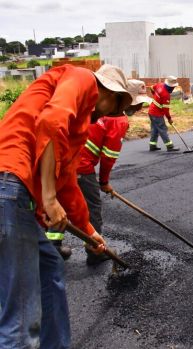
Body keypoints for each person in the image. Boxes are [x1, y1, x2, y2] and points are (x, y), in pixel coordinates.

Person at [0, 63, 131, 348]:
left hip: (13, 193)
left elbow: (68, 182)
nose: (107, 115)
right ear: (108, 92)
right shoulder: (82, 79)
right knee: (20, 316)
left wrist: (89, 230)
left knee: (50, 265)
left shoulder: (80, 126)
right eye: (112, 107)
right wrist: (48, 197)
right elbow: (50, 121)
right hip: (8, 183)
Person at [47, 80, 152, 264]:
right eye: (139, 103)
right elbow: (109, 157)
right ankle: (94, 250)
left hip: (64, 164)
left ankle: (52, 248)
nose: (140, 107)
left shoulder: (97, 110)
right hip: (81, 167)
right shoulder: (119, 120)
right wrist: (104, 182)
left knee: (60, 206)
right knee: (91, 208)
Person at [148, 76, 180, 152]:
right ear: (170, 86)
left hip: (151, 112)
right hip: (157, 114)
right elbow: (166, 110)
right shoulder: (166, 95)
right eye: (173, 87)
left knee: (155, 129)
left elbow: (152, 88)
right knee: (163, 129)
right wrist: (169, 119)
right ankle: (170, 146)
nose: (173, 88)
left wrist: (155, 96)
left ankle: (152, 145)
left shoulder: (160, 85)